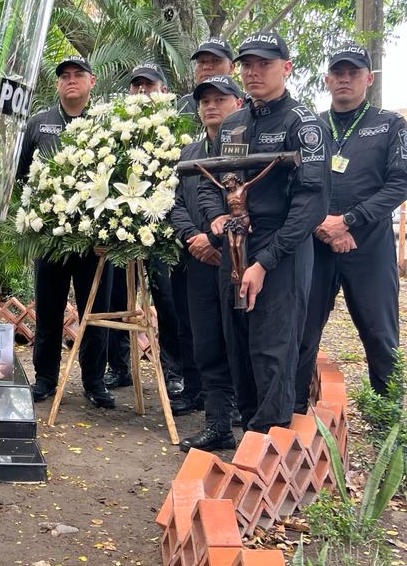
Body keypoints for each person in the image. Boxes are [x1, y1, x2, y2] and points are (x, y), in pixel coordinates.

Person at [198, 30, 328, 434]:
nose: (254, 72)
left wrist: (265, 263)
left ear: (286, 68)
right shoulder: (234, 123)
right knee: (237, 346)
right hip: (235, 246)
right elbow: (213, 181)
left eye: (265, 64)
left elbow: (312, 204)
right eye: (247, 64)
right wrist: (217, 218)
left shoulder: (303, 124)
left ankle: (268, 444)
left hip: (281, 250)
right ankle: (248, 439)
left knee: (273, 350)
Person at [295, 44, 407, 408]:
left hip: (368, 245)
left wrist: (348, 222)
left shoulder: (390, 124)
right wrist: (322, 224)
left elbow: (400, 183)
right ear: (327, 79)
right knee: (302, 331)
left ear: (369, 78)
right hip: (315, 244)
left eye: (353, 72)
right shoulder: (310, 126)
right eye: (338, 73)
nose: (345, 79)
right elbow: (293, 182)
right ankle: (293, 412)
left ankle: (389, 420)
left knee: (380, 335)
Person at [22, 56, 115, 408]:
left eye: (78, 75)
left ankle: (94, 381)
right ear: (57, 84)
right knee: (49, 310)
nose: (71, 80)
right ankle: (45, 378)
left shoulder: (105, 124)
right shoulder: (40, 124)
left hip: (94, 241)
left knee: (96, 311)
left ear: (92, 82)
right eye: (64, 76)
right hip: (50, 239)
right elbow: (21, 177)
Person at [104, 63, 190, 397]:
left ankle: (174, 371)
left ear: (164, 92)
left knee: (168, 302)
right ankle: (119, 368)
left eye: (149, 86)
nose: (142, 92)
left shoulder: (179, 132)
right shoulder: (116, 131)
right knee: (116, 299)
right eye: (136, 86)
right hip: (123, 231)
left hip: (164, 235)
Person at [172, 75, 246, 452]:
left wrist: (217, 240)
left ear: (238, 102)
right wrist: (194, 239)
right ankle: (217, 425)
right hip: (199, 260)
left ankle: (248, 422)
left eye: (220, 98)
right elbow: (175, 204)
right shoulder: (189, 153)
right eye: (204, 101)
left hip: (239, 260)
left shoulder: (245, 148)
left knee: (242, 342)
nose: (211, 106)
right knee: (207, 344)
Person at [175, 39, 235, 119]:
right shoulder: (184, 105)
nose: (206, 67)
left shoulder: (248, 103)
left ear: (231, 67)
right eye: (202, 62)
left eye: (215, 60)